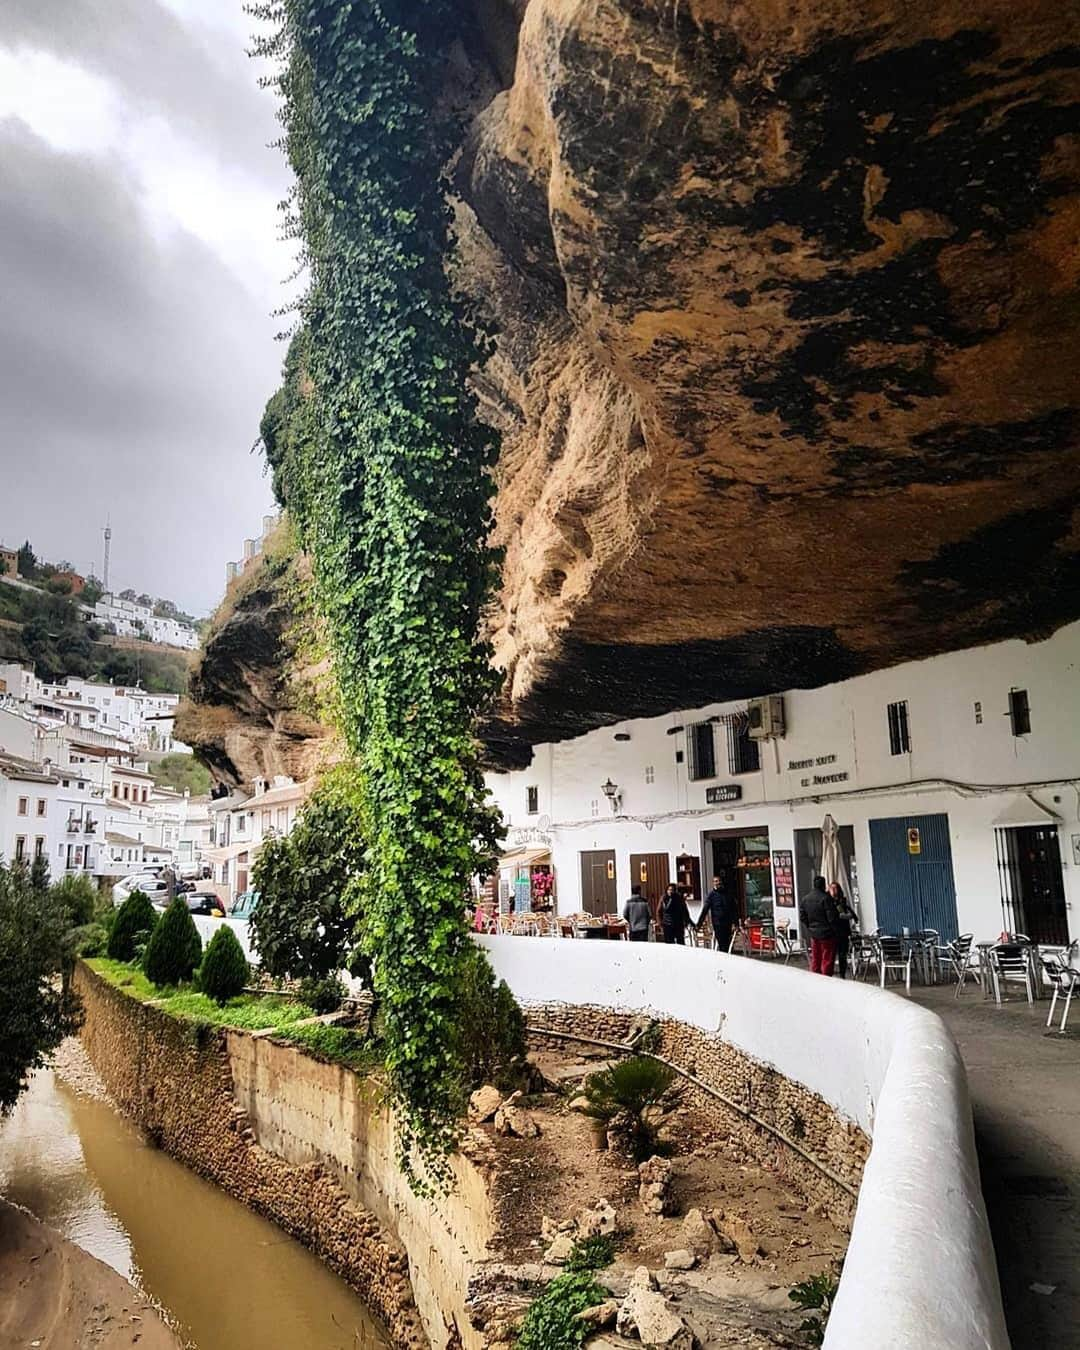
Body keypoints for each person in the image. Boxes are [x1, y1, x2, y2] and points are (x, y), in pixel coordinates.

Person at [799, 876, 841, 976]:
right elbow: (832, 917)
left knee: (816, 957)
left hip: (814, 933)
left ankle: (815, 978)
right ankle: (826, 978)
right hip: (827, 934)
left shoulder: (806, 899)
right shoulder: (826, 899)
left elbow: (802, 916)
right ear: (823, 885)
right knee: (827, 958)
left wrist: (810, 926)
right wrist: (835, 930)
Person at [699, 872, 739, 953]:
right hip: (718, 923)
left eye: (719, 881)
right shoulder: (711, 895)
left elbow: (733, 909)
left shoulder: (728, 894)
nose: (718, 883)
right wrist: (699, 924)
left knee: (727, 942)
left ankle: (727, 957)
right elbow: (705, 910)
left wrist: (736, 923)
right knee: (721, 943)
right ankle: (723, 958)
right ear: (713, 883)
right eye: (716, 881)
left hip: (727, 922)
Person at [828, 881, 857, 978]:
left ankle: (842, 974)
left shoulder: (843, 901)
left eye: (835, 888)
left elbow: (849, 914)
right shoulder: (828, 901)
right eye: (831, 888)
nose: (833, 890)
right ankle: (829, 973)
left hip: (843, 931)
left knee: (842, 954)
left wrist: (844, 916)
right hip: (832, 931)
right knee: (831, 954)